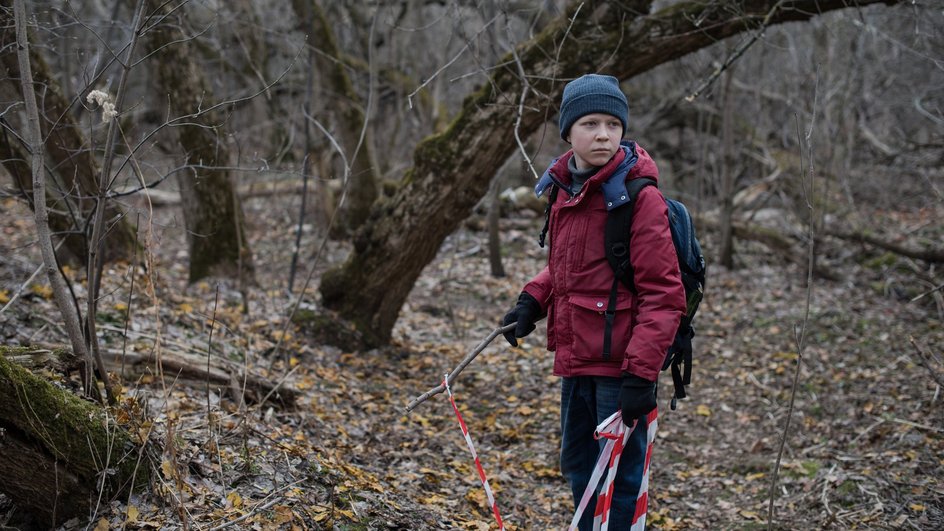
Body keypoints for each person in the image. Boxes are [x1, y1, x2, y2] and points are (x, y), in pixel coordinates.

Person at [501, 74, 686, 530]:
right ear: (569, 132)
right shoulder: (567, 188)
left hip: (621, 371)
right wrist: (532, 300)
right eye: (590, 123)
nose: (603, 134)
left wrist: (641, 376)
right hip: (576, 362)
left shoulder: (640, 199)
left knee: (619, 481)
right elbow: (569, 268)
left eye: (611, 124)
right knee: (579, 467)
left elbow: (664, 295)